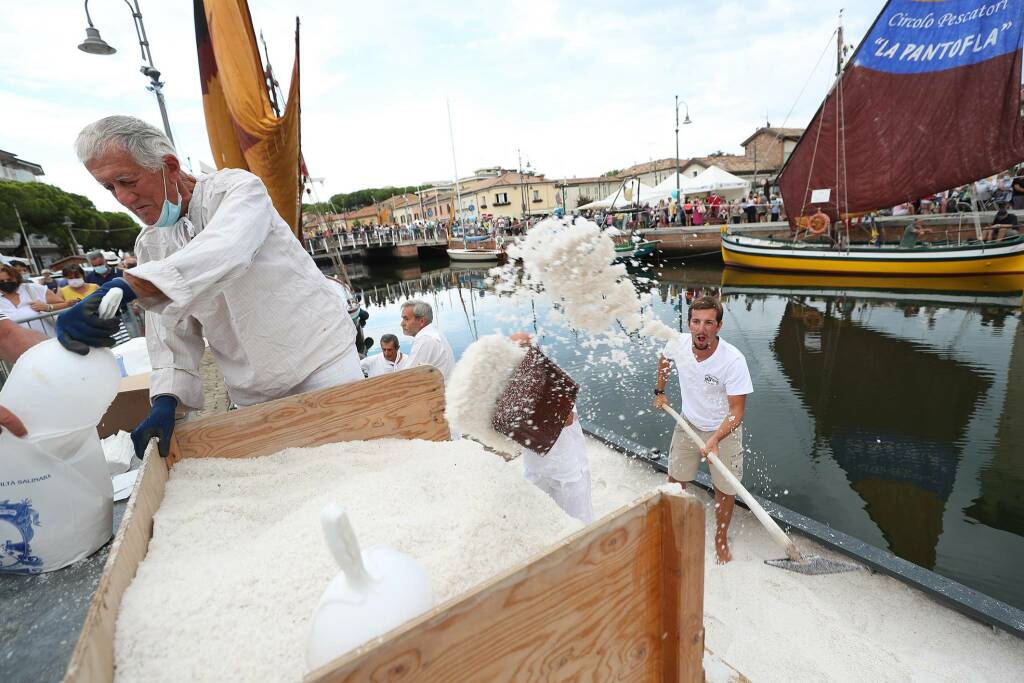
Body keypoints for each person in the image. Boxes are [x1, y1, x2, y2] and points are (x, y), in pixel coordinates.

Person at [57, 115, 363, 459]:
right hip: (250, 390)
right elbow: (171, 331)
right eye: (109, 188)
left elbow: (227, 249)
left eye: (127, 181)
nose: (123, 199)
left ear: (169, 166)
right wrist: (166, 399)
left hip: (320, 364)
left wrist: (131, 284)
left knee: (352, 459)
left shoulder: (238, 190)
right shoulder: (150, 245)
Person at [653, 296, 753, 564]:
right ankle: (674, 530)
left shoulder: (733, 360)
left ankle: (720, 538)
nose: (701, 328)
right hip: (688, 423)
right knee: (675, 480)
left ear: (718, 326)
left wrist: (717, 439)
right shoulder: (678, 343)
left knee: (725, 489)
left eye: (709, 322)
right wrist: (660, 391)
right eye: (696, 322)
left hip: (724, 430)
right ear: (689, 324)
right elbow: (664, 358)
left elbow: (737, 411)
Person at [509, 331, 594, 524]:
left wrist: (528, 411)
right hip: (535, 467)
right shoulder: (511, 383)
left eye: (522, 350)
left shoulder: (553, 379)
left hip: (566, 468)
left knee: (579, 522)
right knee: (541, 520)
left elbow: (567, 418)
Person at [0, 263, 67, 337]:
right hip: (18, 346)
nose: (6, 283)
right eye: (1, 281)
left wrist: (48, 307)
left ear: (17, 278)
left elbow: (64, 305)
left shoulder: (33, 289)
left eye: (9, 280)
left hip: (48, 342)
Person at [400, 300, 454, 381]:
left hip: (441, 392)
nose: (402, 323)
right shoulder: (434, 332)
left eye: (406, 319)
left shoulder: (425, 339)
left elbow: (407, 376)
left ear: (421, 321)